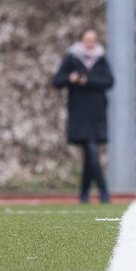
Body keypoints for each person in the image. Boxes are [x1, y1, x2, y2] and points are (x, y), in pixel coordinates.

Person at [52, 29, 115, 204]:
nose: (90, 43)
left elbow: (109, 81)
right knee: (91, 150)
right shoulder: (72, 59)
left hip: (97, 112)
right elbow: (57, 80)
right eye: (87, 39)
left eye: (93, 39)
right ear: (81, 40)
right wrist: (71, 78)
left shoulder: (101, 59)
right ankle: (103, 191)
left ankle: (84, 194)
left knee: (90, 155)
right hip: (79, 113)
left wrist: (87, 80)